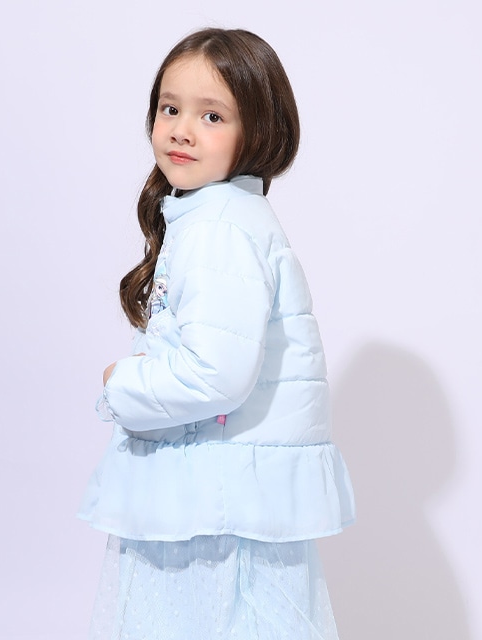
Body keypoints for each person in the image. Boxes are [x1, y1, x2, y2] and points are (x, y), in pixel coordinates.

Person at [78, 27, 355, 640]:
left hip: (210, 505)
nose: (181, 130)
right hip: (227, 495)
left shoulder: (219, 227)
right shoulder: (221, 215)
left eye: (211, 116)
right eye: (170, 108)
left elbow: (216, 375)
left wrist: (123, 383)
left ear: (259, 130)